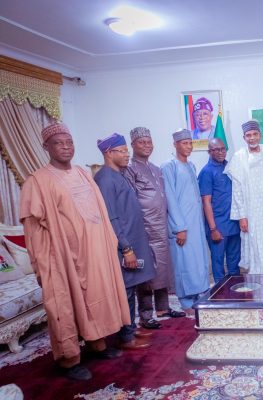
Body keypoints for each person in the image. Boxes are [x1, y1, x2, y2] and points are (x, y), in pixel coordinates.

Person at [20, 123, 130, 380]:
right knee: (65, 306)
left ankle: (98, 344)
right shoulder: (38, 181)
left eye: (69, 141)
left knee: (97, 298)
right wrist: (43, 262)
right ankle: (69, 360)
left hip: (94, 252)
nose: (66, 146)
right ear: (46, 147)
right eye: (59, 142)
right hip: (63, 257)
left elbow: (99, 213)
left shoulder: (82, 174)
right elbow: (34, 230)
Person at [94, 133, 156, 348]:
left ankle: (130, 329)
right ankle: (125, 337)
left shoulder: (117, 175)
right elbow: (111, 217)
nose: (126, 155)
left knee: (132, 287)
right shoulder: (104, 179)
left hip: (132, 240)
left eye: (126, 151)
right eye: (122, 151)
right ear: (108, 153)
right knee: (126, 290)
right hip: (123, 245)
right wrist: (126, 248)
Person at [124, 127, 186, 326]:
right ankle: (145, 315)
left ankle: (163, 308)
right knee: (146, 272)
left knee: (163, 269)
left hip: (160, 225)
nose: (146, 146)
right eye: (142, 142)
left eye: (149, 142)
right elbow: (130, 201)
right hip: (144, 228)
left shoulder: (155, 168)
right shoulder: (129, 169)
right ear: (132, 145)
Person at [161, 129, 210, 312]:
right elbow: (170, 198)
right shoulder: (169, 167)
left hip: (195, 224)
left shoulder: (191, 166)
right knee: (184, 262)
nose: (188, 146)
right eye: (184, 143)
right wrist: (179, 227)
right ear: (175, 144)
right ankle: (185, 302)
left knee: (197, 261)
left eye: (190, 143)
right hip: (181, 225)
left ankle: (198, 297)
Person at [224, 120, 263, 274]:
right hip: (250, 211)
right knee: (253, 246)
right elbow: (237, 190)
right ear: (244, 138)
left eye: (255, 134)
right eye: (248, 135)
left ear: (260, 135)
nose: (252, 138)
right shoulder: (239, 157)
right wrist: (242, 216)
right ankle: (257, 285)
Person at [199, 138, 241, 283]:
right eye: (217, 149)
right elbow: (206, 201)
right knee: (218, 263)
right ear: (209, 151)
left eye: (223, 149)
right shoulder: (206, 172)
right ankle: (220, 297)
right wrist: (213, 229)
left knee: (234, 263)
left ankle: (236, 295)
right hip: (218, 226)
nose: (221, 152)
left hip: (234, 223)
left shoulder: (230, 167)